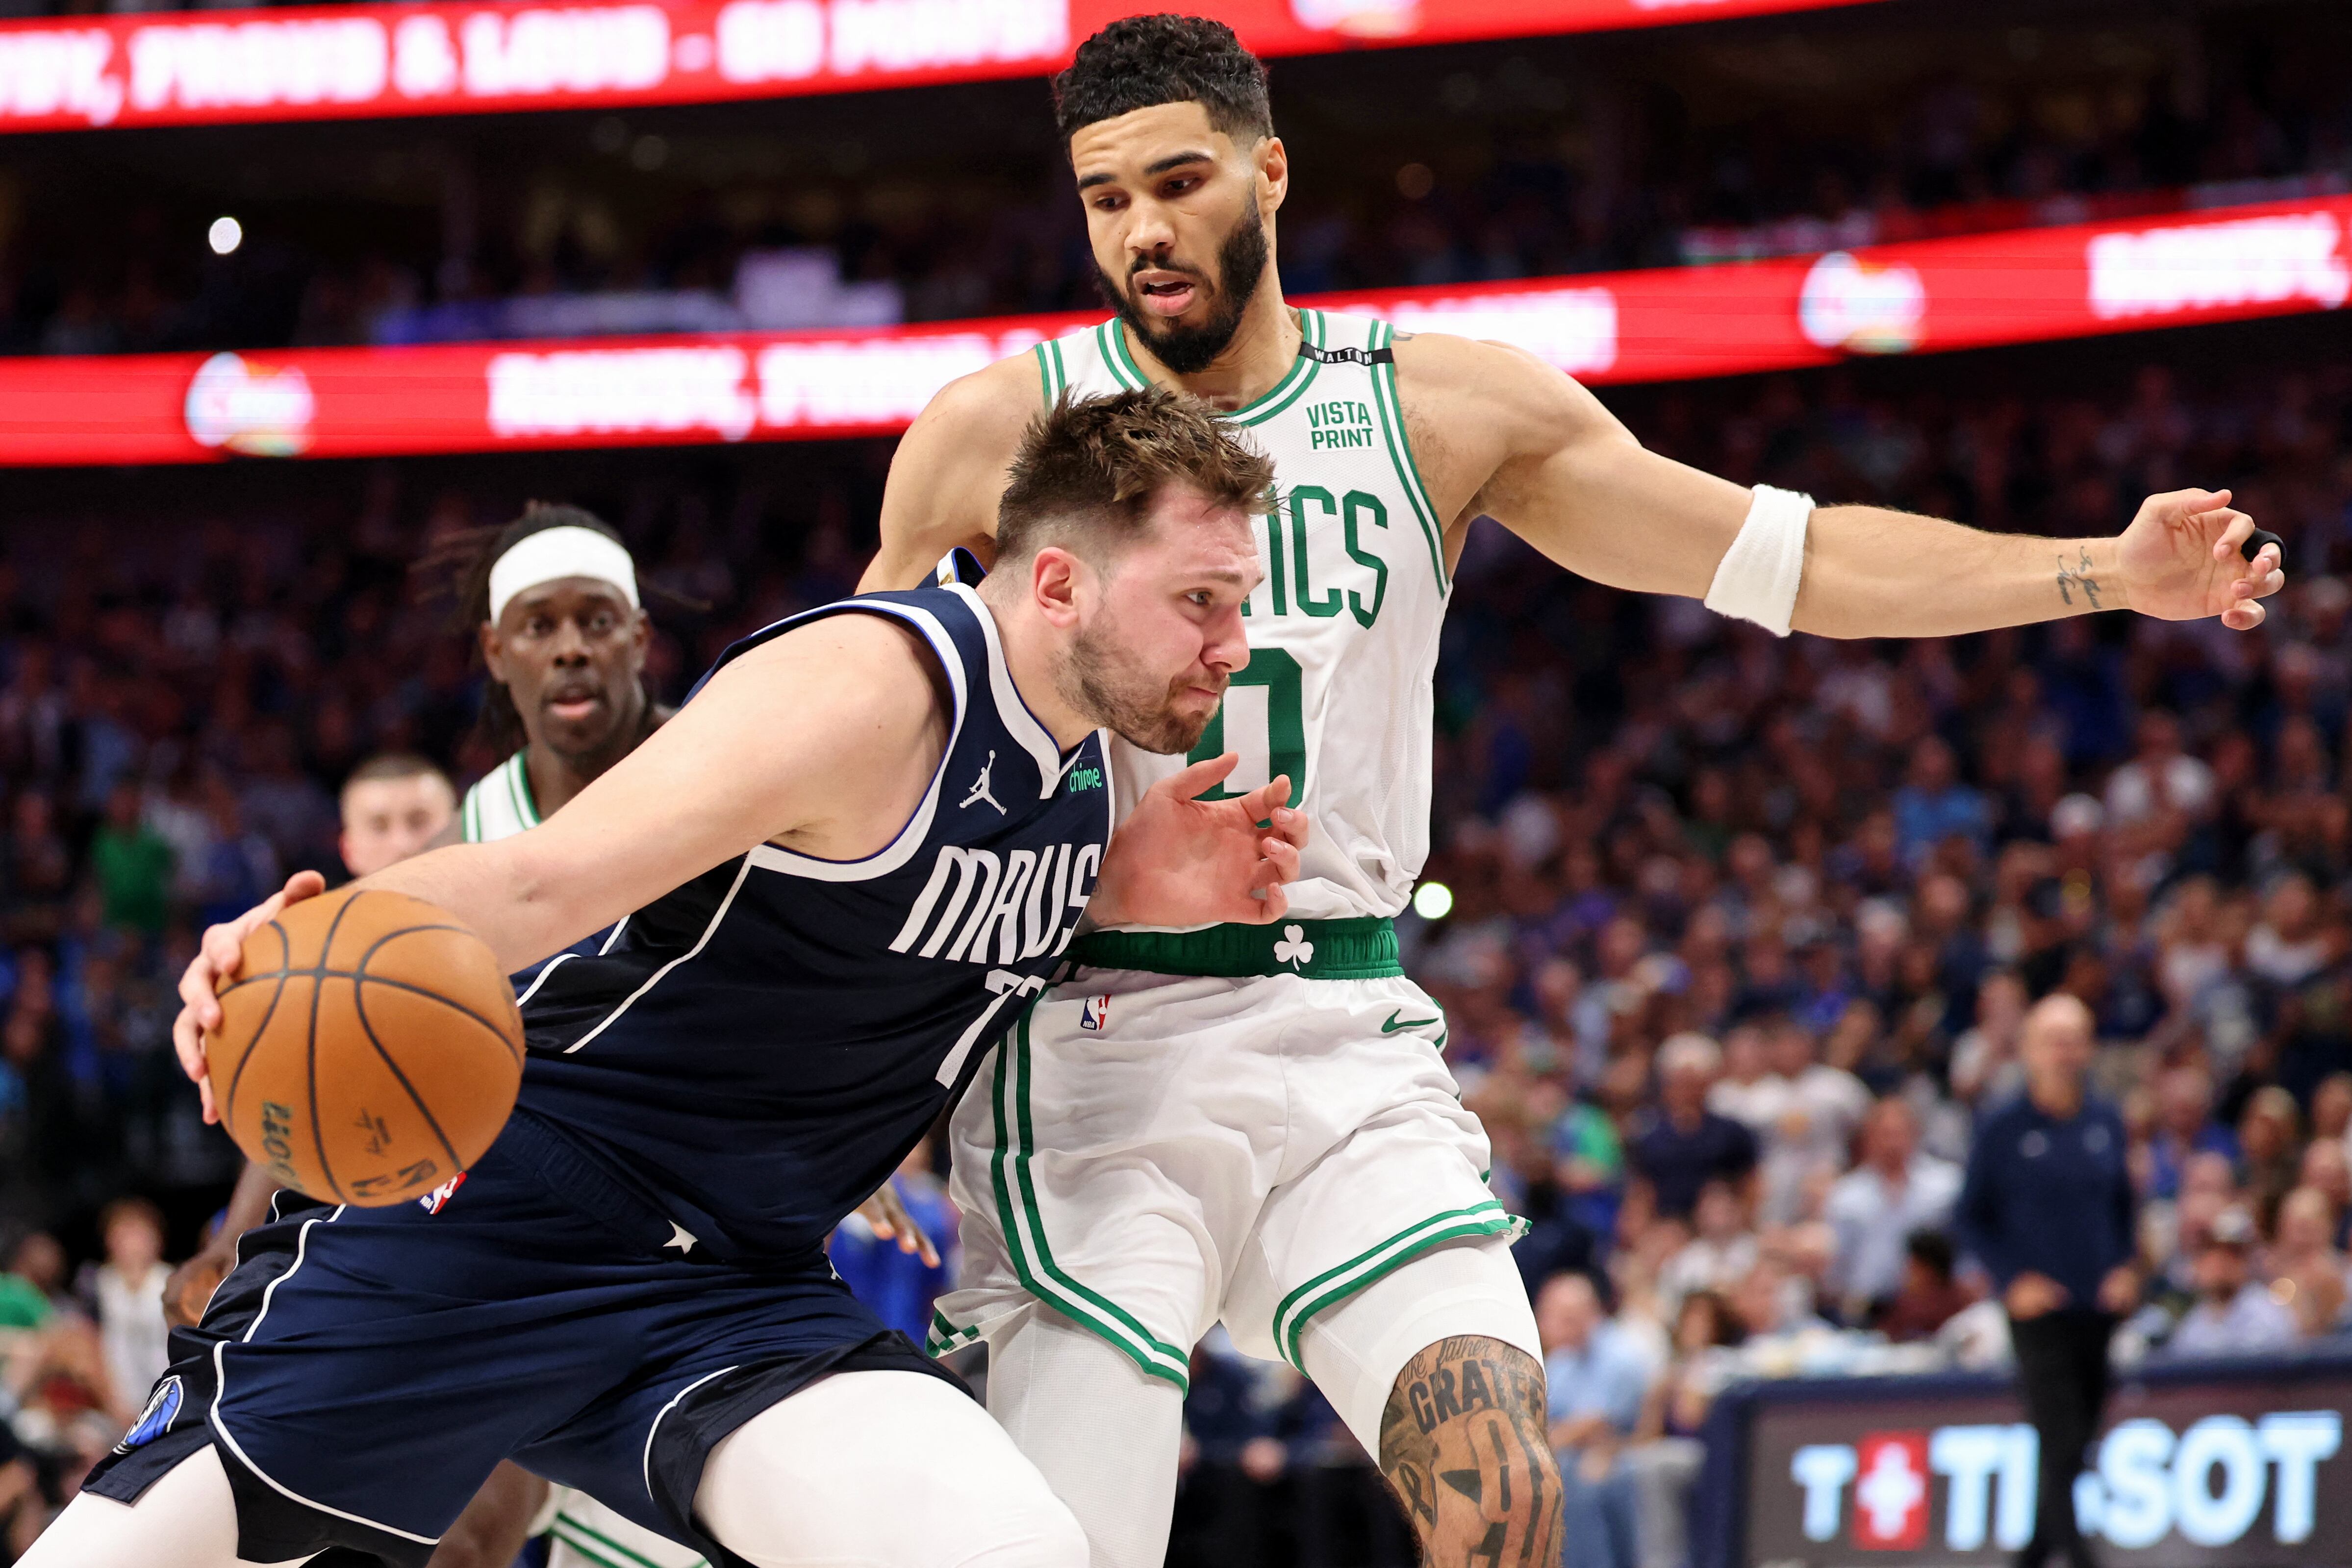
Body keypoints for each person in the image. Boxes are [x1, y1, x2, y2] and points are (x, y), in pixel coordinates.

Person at [864, 17, 2286, 1568]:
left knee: (1504, 1493)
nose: (1141, 230)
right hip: (1091, 1047)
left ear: (1271, 170)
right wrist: (845, 1087)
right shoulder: (997, 434)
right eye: (1104, 197)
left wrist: (2100, 572)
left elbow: (1786, 559)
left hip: (1341, 1028)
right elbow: (854, 765)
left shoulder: (1436, 407)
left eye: (1180, 180)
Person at [33, 389, 1306, 1568]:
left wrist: (1124, 889)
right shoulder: (871, 684)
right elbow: (543, 880)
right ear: (1061, 581)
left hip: (731, 1289)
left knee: (1009, 1547)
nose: (1233, 644)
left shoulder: (1083, 764)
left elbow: (888, 934)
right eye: (1201, 599)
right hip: (497, 1224)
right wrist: (290, 939)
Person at [1955, 994, 2141, 1568]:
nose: (2065, 1052)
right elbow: (1970, 1215)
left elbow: (2123, 1205)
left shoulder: (2105, 1120)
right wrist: (2012, 1280)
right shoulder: (2003, 1127)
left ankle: (2030, 1558)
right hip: (2039, 1316)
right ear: (2030, 1049)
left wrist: (2126, 1266)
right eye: (2053, 1039)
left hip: (2098, 1310)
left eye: (2075, 1038)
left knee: (2076, 1445)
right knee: (2060, 1439)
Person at [1537, 1274, 1650, 1568]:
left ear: (1589, 1314)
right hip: (1577, 1453)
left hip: (1629, 1448)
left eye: (1566, 1318)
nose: (1551, 1326)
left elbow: (1599, 1423)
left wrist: (1540, 1446)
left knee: (1582, 1482)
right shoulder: (1563, 1360)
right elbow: (1545, 1418)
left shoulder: (1620, 1352)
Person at [1821, 1096, 1961, 1321]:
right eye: (1884, 1135)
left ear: (1916, 1135)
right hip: (1867, 1307)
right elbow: (1837, 1264)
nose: (1892, 1144)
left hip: (1934, 1305)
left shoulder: (1946, 1187)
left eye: (1899, 1134)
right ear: (1868, 1140)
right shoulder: (1846, 1196)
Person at [2160, 1205, 2296, 1358]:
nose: (2219, 1262)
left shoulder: (2266, 1314)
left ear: (2246, 1260)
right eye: (2211, 1252)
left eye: (2232, 1253)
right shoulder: (2193, 1323)